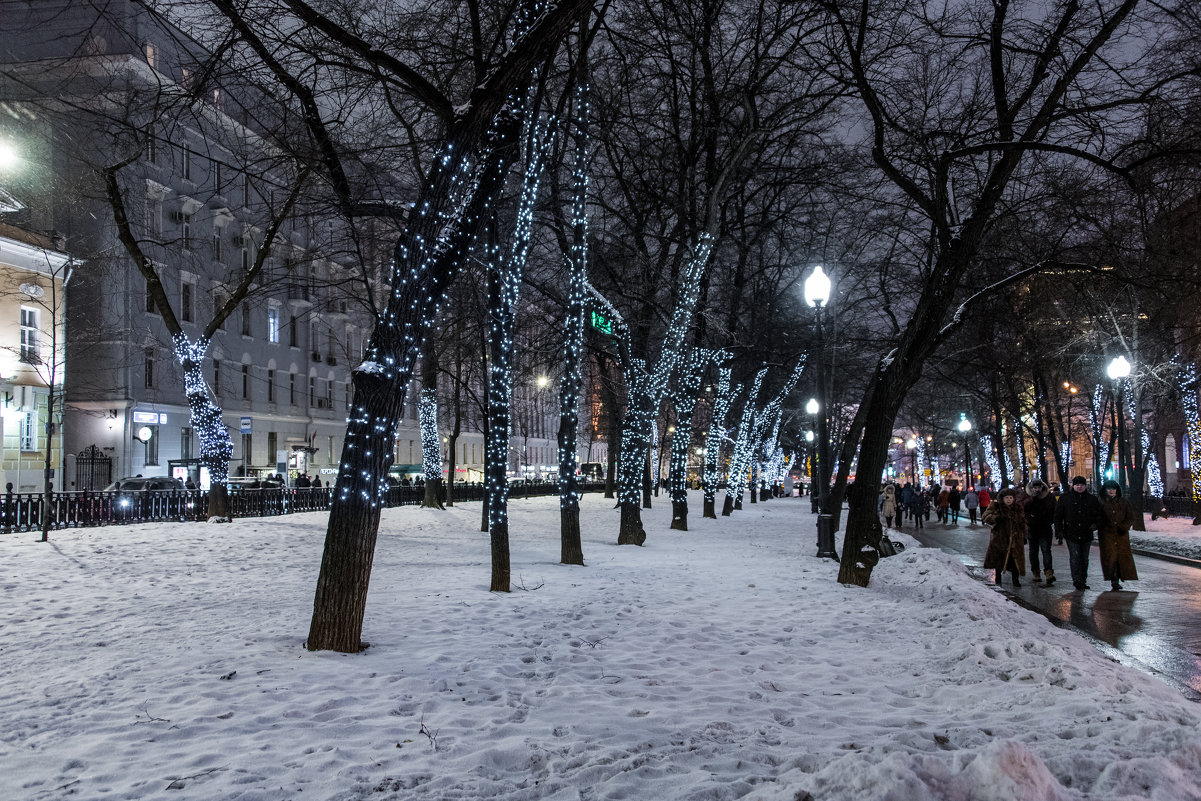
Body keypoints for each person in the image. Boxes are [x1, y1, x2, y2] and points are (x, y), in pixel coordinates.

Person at [1054, 476, 1104, 591]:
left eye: (1082, 485)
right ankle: (1077, 579)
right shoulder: (1065, 498)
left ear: (1085, 486)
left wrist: (1095, 524)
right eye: (1077, 485)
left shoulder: (1092, 499)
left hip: (1086, 532)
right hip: (1071, 533)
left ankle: (1083, 579)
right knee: (1075, 556)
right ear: (1073, 486)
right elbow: (1058, 516)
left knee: (1084, 558)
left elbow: (1099, 515)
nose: (1080, 487)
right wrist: (1059, 531)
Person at [1098, 480, 1138, 591]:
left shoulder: (1124, 502)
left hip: (1121, 535)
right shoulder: (1101, 503)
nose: (1111, 491)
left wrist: (1124, 526)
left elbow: (1130, 516)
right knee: (1110, 558)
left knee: (1122, 557)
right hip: (1107, 535)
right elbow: (1097, 517)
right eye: (1109, 489)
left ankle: (1119, 577)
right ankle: (1113, 579)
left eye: (1113, 489)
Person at [983, 488, 1027, 586]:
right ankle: (998, 579)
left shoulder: (1017, 508)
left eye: (1011, 498)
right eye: (1006, 498)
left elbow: (1023, 523)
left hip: (1015, 540)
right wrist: (996, 518)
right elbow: (985, 516)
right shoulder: (996, 507)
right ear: (1002, 499)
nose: (1009, 500)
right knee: (999, 560)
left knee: (1015, 561)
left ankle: (1015, 580)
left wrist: (1024, 536)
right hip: (1000, 539)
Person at [1022, 479, 1057, 585]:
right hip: (1032, 528)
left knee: (1046, 551)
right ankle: (1036, 573)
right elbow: (1022, 509)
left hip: (1045, 528)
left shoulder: (1049, 497)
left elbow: (1054, 510)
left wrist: (1050, 521)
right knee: (1033, 551)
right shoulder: (1027, 496)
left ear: (1042, 487)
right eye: (1035, 487)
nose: (1037, 489)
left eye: (1039, 487)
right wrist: (1031, 498)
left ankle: (1048, 573)